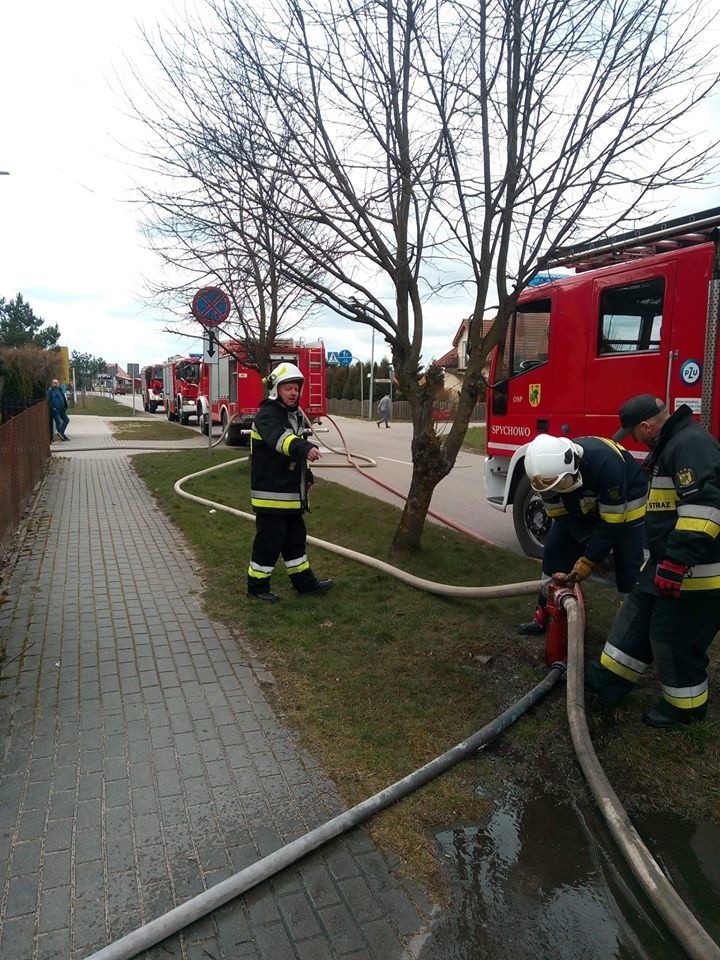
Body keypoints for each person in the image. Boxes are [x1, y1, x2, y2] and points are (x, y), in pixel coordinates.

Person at [585, 394, 720, 728]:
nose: (634, 440)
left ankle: (685, 708)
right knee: (635, 619)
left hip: (695, 573)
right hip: (665, 564)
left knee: (672, 636)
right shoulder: (671, 445)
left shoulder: (690, 445)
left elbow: (706, 506)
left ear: (646, 426)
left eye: (634, 434)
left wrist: (677, 561)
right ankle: (609, 681)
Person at [517, 433, 647, 635]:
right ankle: (544, 616)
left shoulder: (605, 464)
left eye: (561, 485)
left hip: (626, 502)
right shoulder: (545, 479)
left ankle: (633, 632)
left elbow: (612, 522)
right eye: (553, 488)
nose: (557, 491)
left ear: (572, 465)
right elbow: (563, 518)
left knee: (627, 562)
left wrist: (590, 558)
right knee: (554, 550)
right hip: (584, 501)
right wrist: (589, 548)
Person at [246, 362, 334, 603]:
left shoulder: (293, 415)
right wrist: (305, 448)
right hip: (271, 494)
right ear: (276, 389)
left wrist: (308, 476)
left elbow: (293, 451)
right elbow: (282, 441)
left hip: (289, 494)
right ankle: (256, 587)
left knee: (296, 541)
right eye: (288, 388)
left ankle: (304, 584)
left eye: (296, 388)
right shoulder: (268, 414)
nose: (294, 393)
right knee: (269, 542)